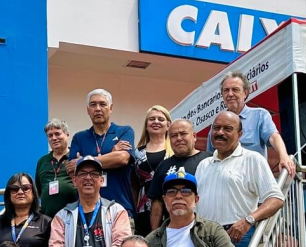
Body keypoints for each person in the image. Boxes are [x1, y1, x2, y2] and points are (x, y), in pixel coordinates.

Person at [195, 111, 285, 247]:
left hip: (236, 236)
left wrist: (248, 221)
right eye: (216, 128)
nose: (220, 132)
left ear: (240, 134)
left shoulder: (252, 159)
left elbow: (276, 199)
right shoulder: (203, 164)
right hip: (204, 238)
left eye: (227, 129)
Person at [46, 157, 132, 247]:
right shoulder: (62, 216)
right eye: (82, 174)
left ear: (102, 180)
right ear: (74, 180)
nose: (88, 178)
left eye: (93, 174)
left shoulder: (117, 211)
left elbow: (122, 246)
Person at [208, 72, 297, 179]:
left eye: (235, 89)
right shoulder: (216, 124)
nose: (230, 94)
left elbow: (273, 137)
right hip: (224, 181)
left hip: (252, 181)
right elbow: (210, 157)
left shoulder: (259, 115)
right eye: (226, 90)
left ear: (245, 93)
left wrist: (284, 156)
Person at [68, 89, 135, 216]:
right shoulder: (79, 138)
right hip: (86, 211)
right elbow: (72, 169)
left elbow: (122, 158)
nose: (98, 109)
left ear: (111, 108)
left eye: (102, 104)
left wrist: (83, 161)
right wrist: (111, 155)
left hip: (120, 208)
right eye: (93, 105)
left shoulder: (124, 131)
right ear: (88, 110)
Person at [148, 118, 211, 232]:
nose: (179, 138)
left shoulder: (210, 160)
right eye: (173, 135)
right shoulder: (163, 166)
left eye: (183, 134)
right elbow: (157, 203)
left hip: (207, 228)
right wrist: (155, 233)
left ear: (194, 136)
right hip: (173, 230)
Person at [132, 105, 173, 237]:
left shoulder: (175, 150)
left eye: (160, 119)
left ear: (168, 125)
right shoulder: (137, 153)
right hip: (144, 209)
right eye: (152, 119)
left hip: (172, 207)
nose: (156, 122)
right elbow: (134, 186)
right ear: (146, 125)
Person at [35, 119, 76, 219]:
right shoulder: (42, 161)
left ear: (67, 134)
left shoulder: (76, 158)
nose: (54, 138)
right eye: (50, 135)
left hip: (73, 217)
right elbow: (39, 191)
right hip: (47, 219)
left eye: (57, 134)